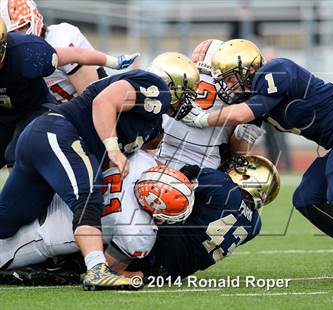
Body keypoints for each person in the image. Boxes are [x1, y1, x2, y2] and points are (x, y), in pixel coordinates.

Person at [181, 39, 333, 286]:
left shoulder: (277, 70)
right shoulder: (254, 95)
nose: (227, 85)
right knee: (306, 198)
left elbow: (245, 113)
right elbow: (244, 137)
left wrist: (202, 119)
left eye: (229, 78)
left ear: (247, 67)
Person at [0, 52, 199, 290]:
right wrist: (113, 149)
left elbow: (147, 159)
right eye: (187, 92)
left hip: (46, 142)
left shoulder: (153, 123)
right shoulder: (153, 85)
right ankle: (96, 269)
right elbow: (103, 102)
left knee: (7, 220)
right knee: (90, 194)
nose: (188, 100)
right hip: (57, 132)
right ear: (173, 85)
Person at [0, 155, 280, 284]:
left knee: (120, 222)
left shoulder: (220, 183)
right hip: (170, 274)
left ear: (246, 177)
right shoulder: (255, 225)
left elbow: (178, 183)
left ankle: (65, 264)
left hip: (154, 247)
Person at [0, 150, 194, 281]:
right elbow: (108, 271)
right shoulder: (139, 231)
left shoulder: (140, 162)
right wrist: (143, 274)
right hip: (41, 236)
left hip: (46, 199)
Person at [0, 17, 138, 168]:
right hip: (5, 113)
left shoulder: (28, 52)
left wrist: (113, 62)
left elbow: (77, 54)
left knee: (18, 152)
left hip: (34, 108)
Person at [157, 39, 264, 169]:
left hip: (163, 157)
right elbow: (237, 152)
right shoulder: (239, 89)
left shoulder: (175, 80)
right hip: (208, 166)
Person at [0, 0, 105, 103]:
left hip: (88, 110)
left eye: (21, 28)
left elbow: (94, 100)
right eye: (11, 33)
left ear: (34, 18)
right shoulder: (10, 57)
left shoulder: (61, 38)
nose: (17, 36)